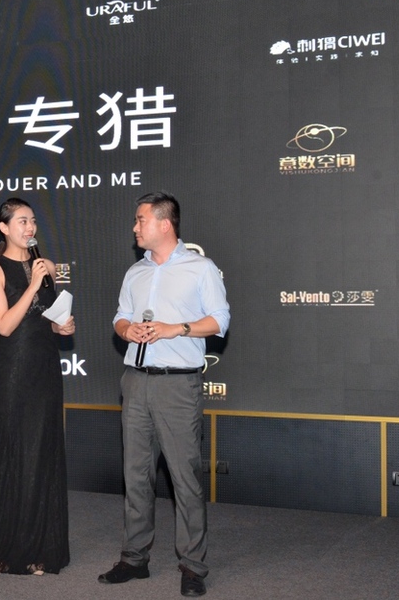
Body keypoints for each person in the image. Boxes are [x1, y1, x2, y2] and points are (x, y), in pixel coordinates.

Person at [98, 191, 230, 598]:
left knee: (184, 479)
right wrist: (127, 330)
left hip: (178, 385)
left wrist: (178, 329)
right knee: (135, 475)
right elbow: (120, 317)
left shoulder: (200, 268)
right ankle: (134, 559)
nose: (135, 227)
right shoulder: (135, 272)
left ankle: (192, 567)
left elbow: (219, 320)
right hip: (135, 381)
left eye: (141, 220)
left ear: (164, 223)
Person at [0, 197, 75, 576]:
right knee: (14, 453)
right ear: (4, 228)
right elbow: (4, 325)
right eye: (21, 221)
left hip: (45, 368)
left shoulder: (47, 266)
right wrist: (32, 284)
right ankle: (6, 550)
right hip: (14, 373)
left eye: (32, 220)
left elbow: (48, 317)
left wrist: (62, 326)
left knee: (42, 455)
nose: (30, 227)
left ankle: (41, 551)